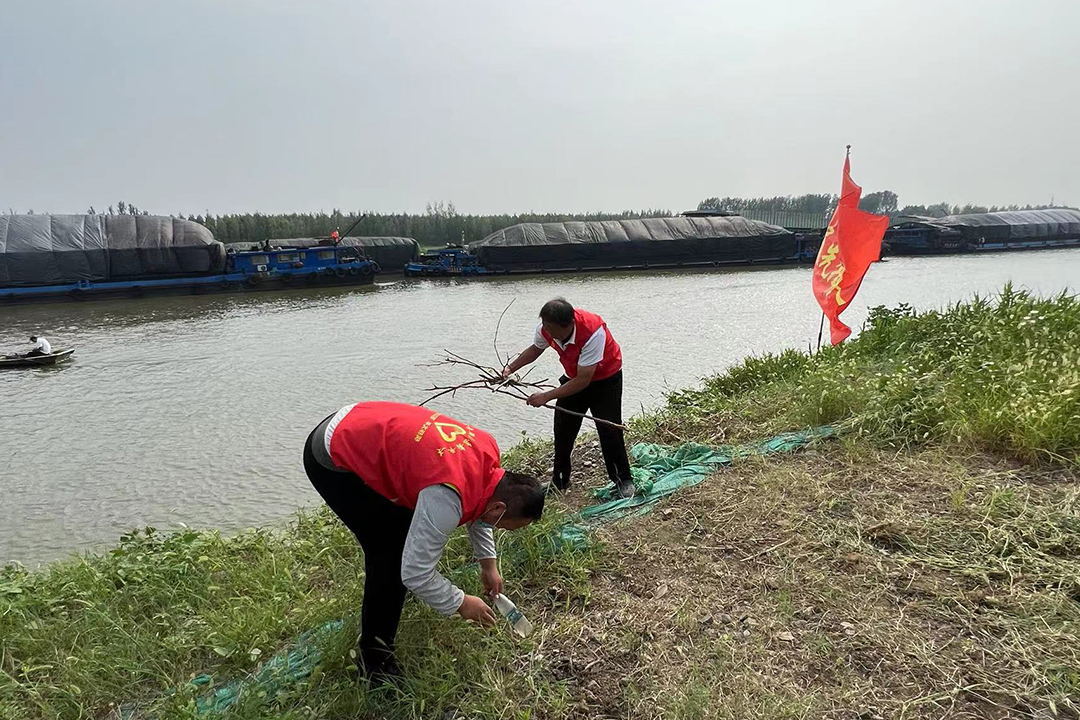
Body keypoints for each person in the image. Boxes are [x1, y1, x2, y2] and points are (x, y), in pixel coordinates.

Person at [303, 401, 545, 682]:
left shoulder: (487, 452)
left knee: (406, 533)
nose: (499, 527)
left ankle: (386, 624)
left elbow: (482, 504)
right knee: (390, 557)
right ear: (499, 509)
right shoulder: (445, 498)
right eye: (504, 526)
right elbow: (415, 572)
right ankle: (375, 664)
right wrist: (461, 602)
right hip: (331, 454)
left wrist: (488, 564)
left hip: (358, 418)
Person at [501, 298, 635, 499]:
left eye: (551, 328)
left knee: (610, 429)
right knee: (563, 430)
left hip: (605, 380)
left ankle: (623, 479)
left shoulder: (592, 332)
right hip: (574, 377)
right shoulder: (546, 327)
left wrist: (545, 396)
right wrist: (510, 368)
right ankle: (560, 480)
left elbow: (584, 380)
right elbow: (536, 349)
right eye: (545, 325)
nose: (547, 332)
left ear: (569, 325)